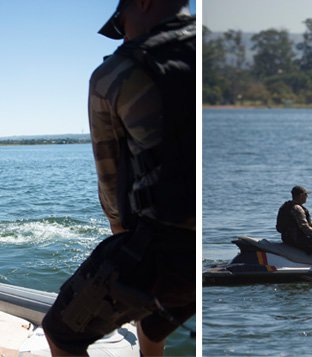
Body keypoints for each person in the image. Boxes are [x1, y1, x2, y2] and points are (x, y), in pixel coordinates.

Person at [42, 1, 195, 355]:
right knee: (153, 324)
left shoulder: (117, 72)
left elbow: (111, 184)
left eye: (121, 24)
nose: (123, 35)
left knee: (60, 332)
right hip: (200, 247)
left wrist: (124, 239)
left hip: (166, 246)